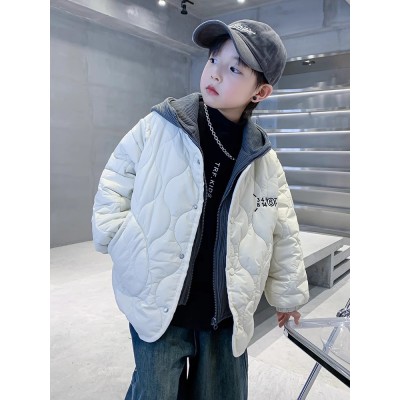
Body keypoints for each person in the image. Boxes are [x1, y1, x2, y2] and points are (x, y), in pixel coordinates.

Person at [92, 18, 309, 400]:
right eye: (213, 60)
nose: (215, 73)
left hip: (223, 310)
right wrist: (119, 237)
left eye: (234, 69)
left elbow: (280, 226)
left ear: (260, 92)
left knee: (220, 393)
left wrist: (287, 295)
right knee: (154, 391)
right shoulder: (160, 125)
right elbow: (116, 176)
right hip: (160, 299)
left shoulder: (262, 160)